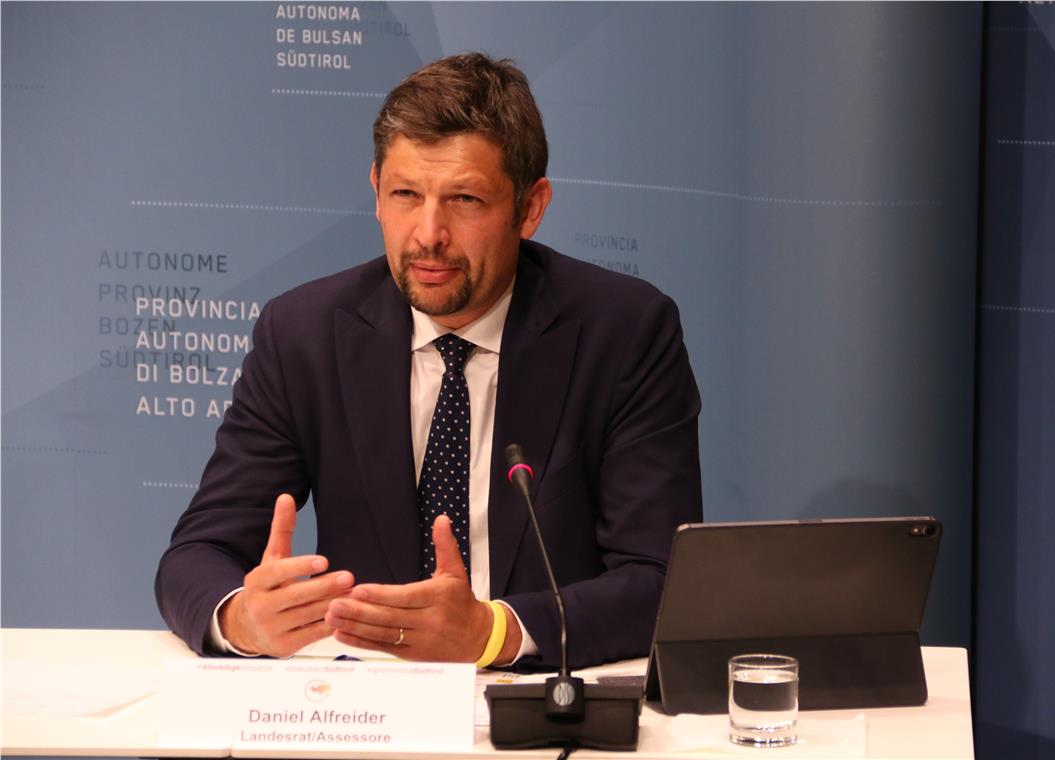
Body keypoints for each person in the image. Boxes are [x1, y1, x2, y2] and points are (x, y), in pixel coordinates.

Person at [155, 52, 702, 670]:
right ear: (376, 192)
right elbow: (195, 556)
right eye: (406, 195)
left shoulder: (624, 332)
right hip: (364, 703)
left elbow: (658, 578)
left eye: (465, 199)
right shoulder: (303, 334)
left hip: (535, 696)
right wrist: (241, 618)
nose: (428, 234)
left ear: (530, 208)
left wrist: (493, 634)